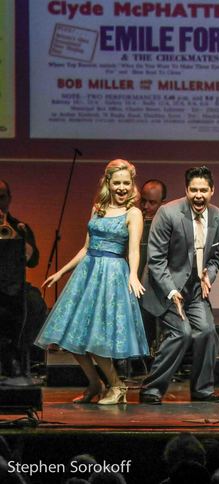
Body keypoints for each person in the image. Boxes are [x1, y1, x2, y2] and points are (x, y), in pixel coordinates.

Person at [35, 159, 148, 404]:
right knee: (72, 337)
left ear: (132, 185)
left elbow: (134, 250)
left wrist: (133, 274)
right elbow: (86, 248)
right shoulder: (98, 207)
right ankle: (95, 383)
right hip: (88, 274)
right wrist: (61, 272)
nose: (121, 188)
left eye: (126, 183)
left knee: (97, 338)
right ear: (108, 183)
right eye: (116, 182)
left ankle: (117, 387)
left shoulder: (134, 213)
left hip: (111, 275)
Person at [139, 166, 219, 404]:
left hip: (196, 291)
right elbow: (155, 260)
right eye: (193, 190)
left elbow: (216, 258)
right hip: (165, 289)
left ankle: (202, 390)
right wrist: (172, 290)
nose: (198, 195)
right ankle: (152, 389)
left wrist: (210, 275)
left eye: (203, 190)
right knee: (182, 332)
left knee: (207, 332)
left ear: (212, 191)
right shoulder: (168, 214)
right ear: (186, 190)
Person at [0, 179, 47, 378]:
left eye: (1, 197)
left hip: (13, 287)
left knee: (35, 304)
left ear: (9, 199)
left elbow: (33, 260)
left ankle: (18, 355)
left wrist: (20, 238)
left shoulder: (19, 226)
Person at [138, 179, 168, 355]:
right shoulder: (134, 221)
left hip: (155, 284)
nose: (146, 206)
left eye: (152, 202)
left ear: (163, 203)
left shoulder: (168, 225)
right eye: (143, 201)